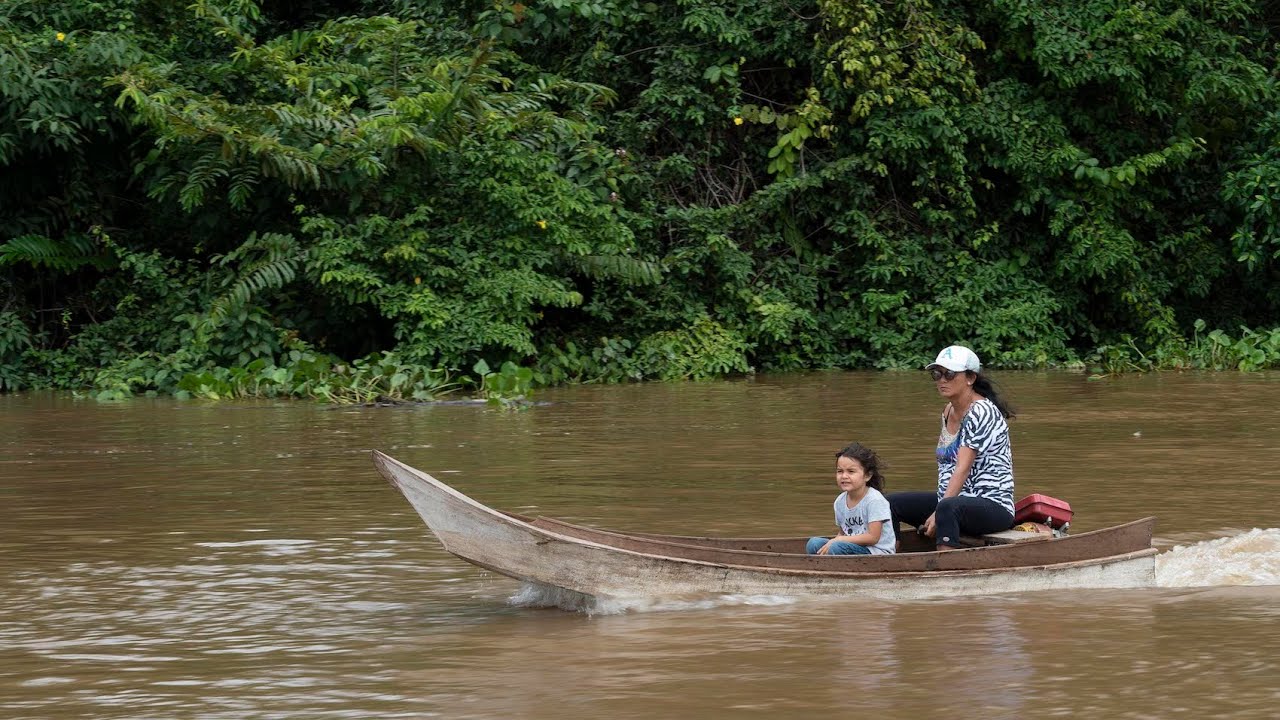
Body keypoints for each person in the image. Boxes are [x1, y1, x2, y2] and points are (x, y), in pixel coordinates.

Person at [889, 345, 1015, 550]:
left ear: (970, 378)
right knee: (889, 504)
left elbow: (962, 468)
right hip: (953, 501)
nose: (942, 380)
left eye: (949, 374)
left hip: (993, 506)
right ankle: (888, 559)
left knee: (948, 507)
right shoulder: (948, 411)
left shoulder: (980, 412)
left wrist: (938, 512)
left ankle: (946, 567)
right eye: (937, 374)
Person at [806, 443, 897, 555]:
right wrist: (835, 541)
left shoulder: (874, 500)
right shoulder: (839, 502)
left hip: (875, 552)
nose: (844, 476)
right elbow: (843, 533)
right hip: (850, 546)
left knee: (837, 546)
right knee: (814, 543)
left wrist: (839, 541)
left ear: (867, 476)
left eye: (851, 471)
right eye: (840, 471)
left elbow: (873, 538)